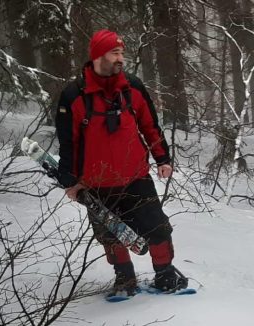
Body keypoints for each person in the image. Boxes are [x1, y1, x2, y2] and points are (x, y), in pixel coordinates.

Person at [55, 29, 186, 297]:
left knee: (158, 227)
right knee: (110, 234)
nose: (120, 58)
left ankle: (165, 274)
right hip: (96, 183)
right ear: (98, 55)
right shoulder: (74, 95)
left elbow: (150, 125)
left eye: (121, 53)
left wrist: (162, 158)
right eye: (115, 53)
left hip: (136, 177)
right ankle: (124, 278)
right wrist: (69, 180)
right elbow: (68, 142)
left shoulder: (132, 87)